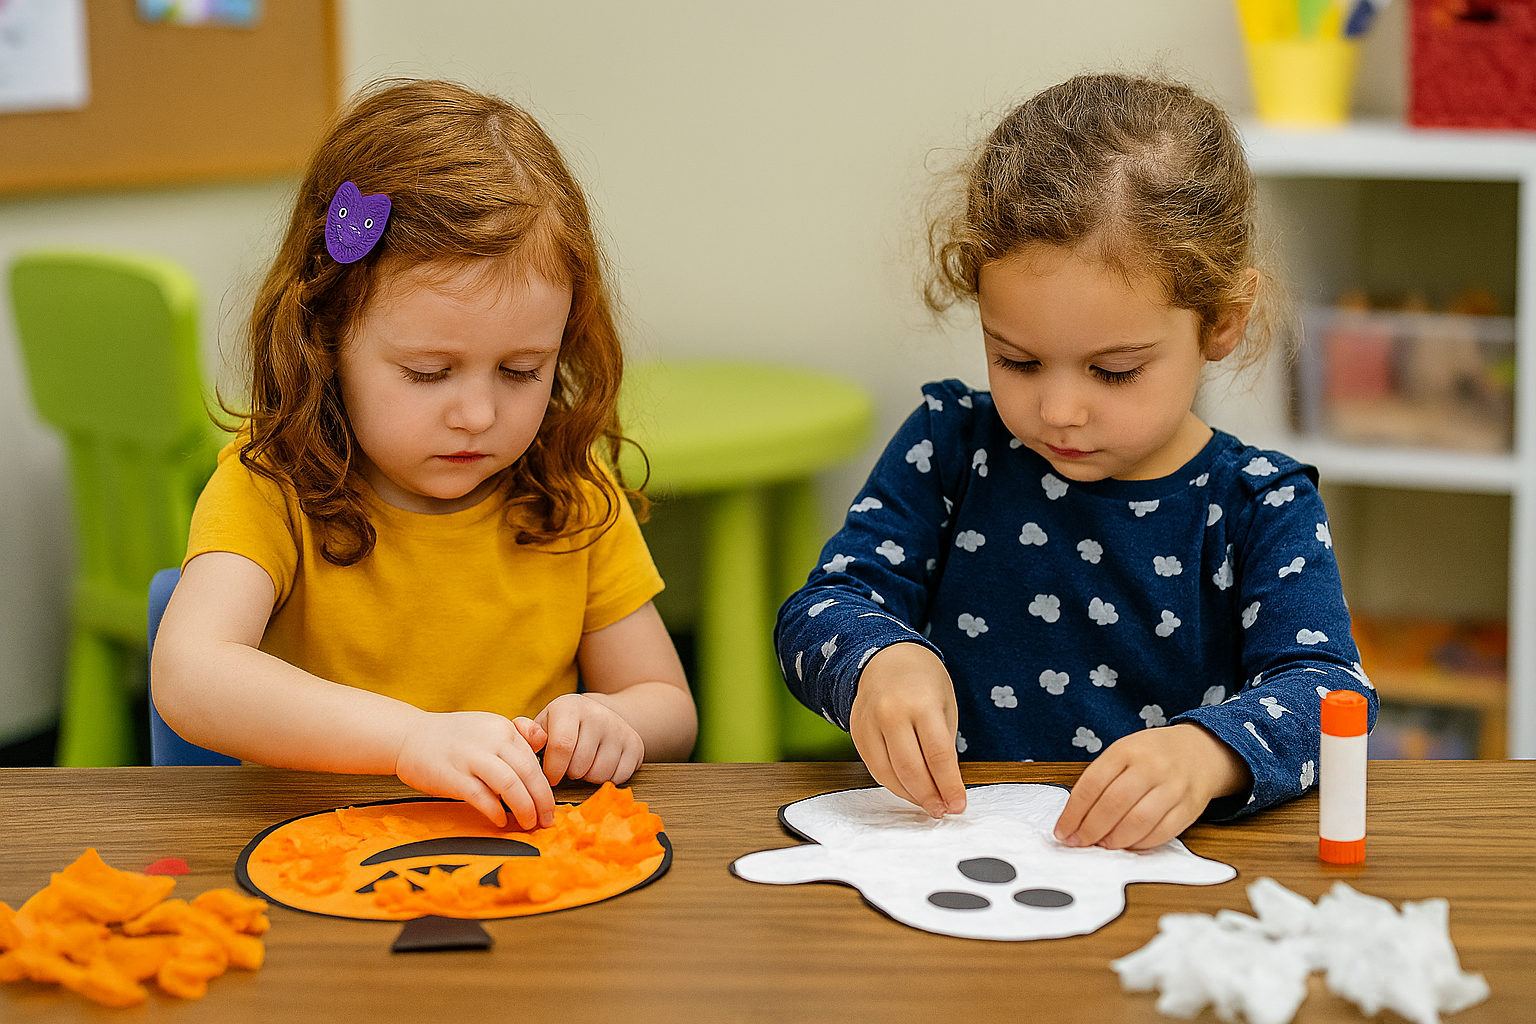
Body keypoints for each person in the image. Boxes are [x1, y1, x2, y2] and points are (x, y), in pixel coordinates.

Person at [776, 73, 1376, 851]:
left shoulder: (1259, 505)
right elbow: (822, 609)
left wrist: (1209, 753)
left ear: (1222, 323)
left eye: (1114, 370)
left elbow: (1330, 691)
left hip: (1167, 881)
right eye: (1016, 360)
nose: (1058, 411)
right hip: (961, 860)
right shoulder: (952, 445)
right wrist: (878, 660)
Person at [153, 80, 696, 829]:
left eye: (522, 370)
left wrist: (613, 722)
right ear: (327, 338)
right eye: (428, 374)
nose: (478, 414)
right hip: (317, 862)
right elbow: (190, 674)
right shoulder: (270, 483)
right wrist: (412, 738)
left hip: (532, 869)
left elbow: (668, 704)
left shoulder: (570, 488)